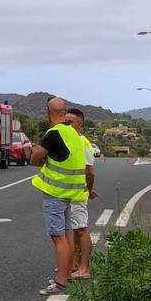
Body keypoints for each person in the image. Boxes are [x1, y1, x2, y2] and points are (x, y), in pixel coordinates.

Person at [30, 96, 88, 295]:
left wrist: (37, 152)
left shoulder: (53, 133)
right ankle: (68, 275)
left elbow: (34, 159)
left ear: (47, 113)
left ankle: (61, 282)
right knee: (66, 234)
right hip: (70, 193)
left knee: (58, 237)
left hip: (55, 193)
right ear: (64, 113)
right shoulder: (71, 132)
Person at [65, 108, 98, 279]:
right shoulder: (71, 140)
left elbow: (89, 172)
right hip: (69, 192)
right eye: (65, 121)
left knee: (81, 230)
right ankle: (76, 264)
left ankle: (84, 268)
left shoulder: (82, 143)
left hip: (78, 193)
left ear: (80, 123)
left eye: (70, 122)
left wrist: (89, 189)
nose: (67, 124)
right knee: (75, 229)